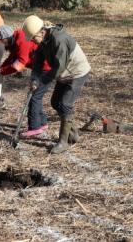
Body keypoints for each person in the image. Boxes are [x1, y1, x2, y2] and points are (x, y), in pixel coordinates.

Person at [23, 15, 91, 154]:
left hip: (76, 73)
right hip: (64, 74)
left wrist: (42, 82)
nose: (34, 42)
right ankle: (73, 134)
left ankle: (63, 142)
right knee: (55, 102)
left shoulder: (59, 40)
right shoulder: (44, 40)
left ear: (41, 31)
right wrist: (35, 78)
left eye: (34, 38)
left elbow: (58, 67)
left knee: (65, 104)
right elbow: (37, 62)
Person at [0, 25, 52, 137]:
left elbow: (19, 64)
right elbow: (13, 56)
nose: (3, 44)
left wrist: (2, 71)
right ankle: (42, 122)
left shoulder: (22, 40)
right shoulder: (16, 39)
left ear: (8, 37)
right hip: (38, 67)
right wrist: (1, 67)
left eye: (3, 41)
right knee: (36, 96)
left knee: (34, 97)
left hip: (45, 68)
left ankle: (35, 127)